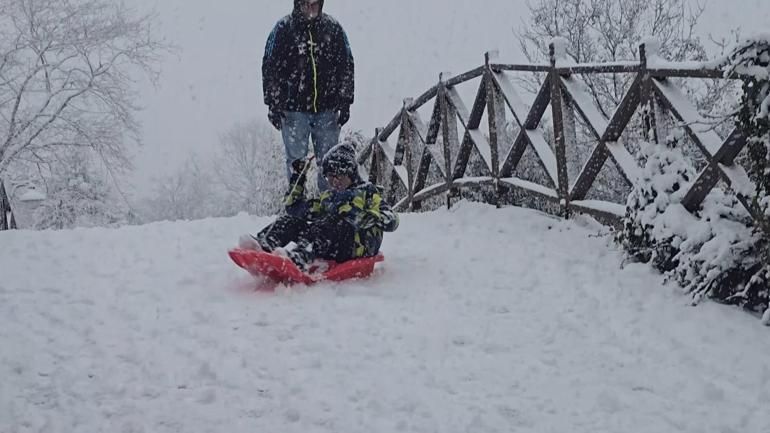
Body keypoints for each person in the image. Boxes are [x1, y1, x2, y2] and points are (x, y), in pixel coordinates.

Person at [239, 143, 399, 270]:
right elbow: (295, 209)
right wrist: (298, 178)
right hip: (330, 243)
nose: (334, 181)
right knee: (292, 221)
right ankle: (264, 244)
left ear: (350, 174)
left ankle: (299, 256)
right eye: (330, 177)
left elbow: (392, 220)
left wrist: (354, 215)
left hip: (356, 247)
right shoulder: (328, 198)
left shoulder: (367, 193)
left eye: (339, 176)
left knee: (333, 223)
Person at [262, 0, 354, 190]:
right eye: (306, 5)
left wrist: (345, 102)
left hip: (327, 110)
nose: (311, 11)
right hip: (293, 110)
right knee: (296, 162)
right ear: (298, 4)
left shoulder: (333, 29)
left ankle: (329, 202)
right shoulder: (283, 29)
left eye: (315, 5)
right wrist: (273, 104)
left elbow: (346, 65)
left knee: (329, 162)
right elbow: (270, 67)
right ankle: (297, 202)